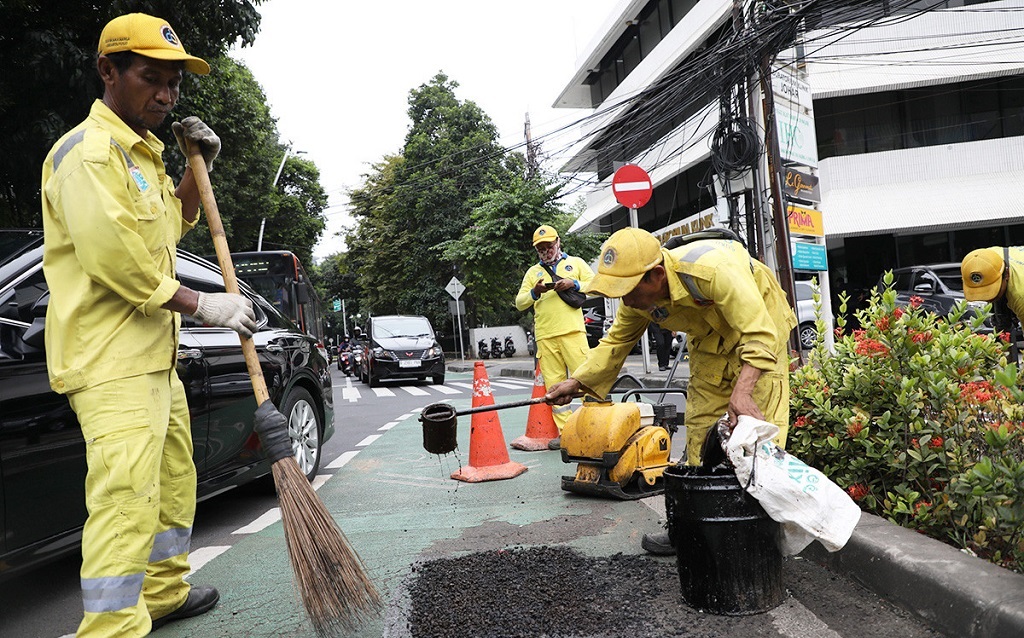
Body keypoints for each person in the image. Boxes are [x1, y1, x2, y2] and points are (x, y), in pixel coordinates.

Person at [41, 13, 256, 636]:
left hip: (155, 358)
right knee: (125, 503)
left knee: (170, 484)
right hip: (110, 362)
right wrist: (205, 305)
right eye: (150, 78)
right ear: (108, 71)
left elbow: (171, 229)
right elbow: (116, 260)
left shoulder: (144, 156)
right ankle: (112, 627)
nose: (165, 94)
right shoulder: (87, 155)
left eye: (173, 85)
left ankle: (162, 594)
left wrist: (195, 171)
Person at [545, 227, 796, 554]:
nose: (626, 300)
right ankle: (690, 531)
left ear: (657, 275)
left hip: (760, 329)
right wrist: (577, 383)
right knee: (698, 432)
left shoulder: (713, 272)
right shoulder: (637, 299)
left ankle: (756, 538)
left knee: (759, 435)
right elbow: (617, 342)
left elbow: (759, 334)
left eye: (628, 290)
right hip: (709, 341)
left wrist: (743, 391)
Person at [515, 225, 595, 448]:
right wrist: (535, 292)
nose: (546, 252)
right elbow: (520, 302)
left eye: (549, 246)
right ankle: (566, 433)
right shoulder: (533, 273)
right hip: (546, 337)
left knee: (587, 380)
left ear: (558, 242)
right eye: (541, 249)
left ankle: (595, 426)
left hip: (573, 333)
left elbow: (597, 286)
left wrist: (574, 284)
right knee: (556, 389)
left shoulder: (576, 263)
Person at [961, 247, 1024, 353]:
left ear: (1007, 275)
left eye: (991, 291)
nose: (988, 298)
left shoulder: (1020, 294)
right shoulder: (982, 259)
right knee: (1002, 329)